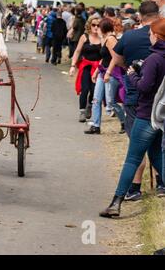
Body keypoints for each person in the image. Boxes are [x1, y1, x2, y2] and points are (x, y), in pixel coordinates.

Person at [100, 18, 165, 218]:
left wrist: (132, 75)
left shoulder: (154, 59)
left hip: (146, 114)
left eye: (150, 33)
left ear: (157, 35)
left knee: (132, 159)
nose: (148, 36)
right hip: (160, 116)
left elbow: (144, 87)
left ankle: (116, 202)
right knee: (157, 156)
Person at [85, 18, 125, 135]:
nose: (96, 28)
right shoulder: (105, 39)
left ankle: (124, 121)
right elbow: (104, 58)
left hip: (111, 73)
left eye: (98, 26)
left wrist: (108, 72)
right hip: (103, 71)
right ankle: (96, 126)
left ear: (103, 28)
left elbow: (116, 57)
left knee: (111, 102)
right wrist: (97, 71)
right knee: (96, 99)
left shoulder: (111, 39)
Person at [69, 15, 102, 123]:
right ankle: (82, 111)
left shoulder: (103, 38)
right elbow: (77, 51)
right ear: (89, 25)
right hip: (86, 66)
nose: (96, 27)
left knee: (94, 90)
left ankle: (90, 106)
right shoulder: (84, 37)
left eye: (98, 25)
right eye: (93, 25)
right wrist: (73, 66)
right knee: (84, 89)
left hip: (97, 68)